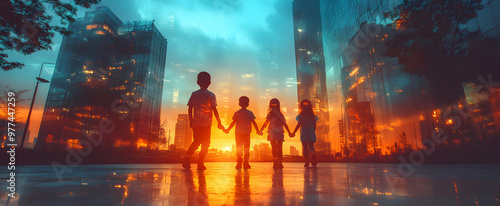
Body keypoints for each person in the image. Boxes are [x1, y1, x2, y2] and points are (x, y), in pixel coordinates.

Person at [183, 71, 224, 170]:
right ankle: (200, 162)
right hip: (206, 123)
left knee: (196, 141)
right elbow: (214, 109)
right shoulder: (211, 95)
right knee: (206, 143)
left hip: (196, 123)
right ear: (210, 83)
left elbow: (190, 108)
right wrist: (219, 122)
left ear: (197, 82)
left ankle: (187, 157)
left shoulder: (194, 94)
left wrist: (191, 120)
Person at [224, 96, 262, 169]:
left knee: (239, 148)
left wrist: (228, 129)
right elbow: (254, 123)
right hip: (247, 134)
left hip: (238, 134)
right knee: (247, 149)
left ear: (239, 104)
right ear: (248, 104)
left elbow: (233, 122)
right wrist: (258, 131)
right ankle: (246, 163)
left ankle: (239, 162)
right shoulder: (250, 113)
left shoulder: (237, 113)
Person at [259, 98, 292, 169]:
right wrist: (289, 132)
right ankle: (279, 162)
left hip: (272, 132)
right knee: (279, 148)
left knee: (274, 147)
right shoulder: (280, 114)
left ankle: (276, 161)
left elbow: (266, 123)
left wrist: (261, 130)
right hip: (279, 132)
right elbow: (284, 123)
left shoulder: (271, 113)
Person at [291, 99, 318, 167]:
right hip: (311, 131)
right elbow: (314, 125)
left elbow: (298, 125)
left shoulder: (301, 116)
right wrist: (312, 131)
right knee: (311, 146)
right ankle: (313, 154)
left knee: (305, 147)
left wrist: (293, 132)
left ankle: (307, 161)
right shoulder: (312, 116)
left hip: (304, 131)